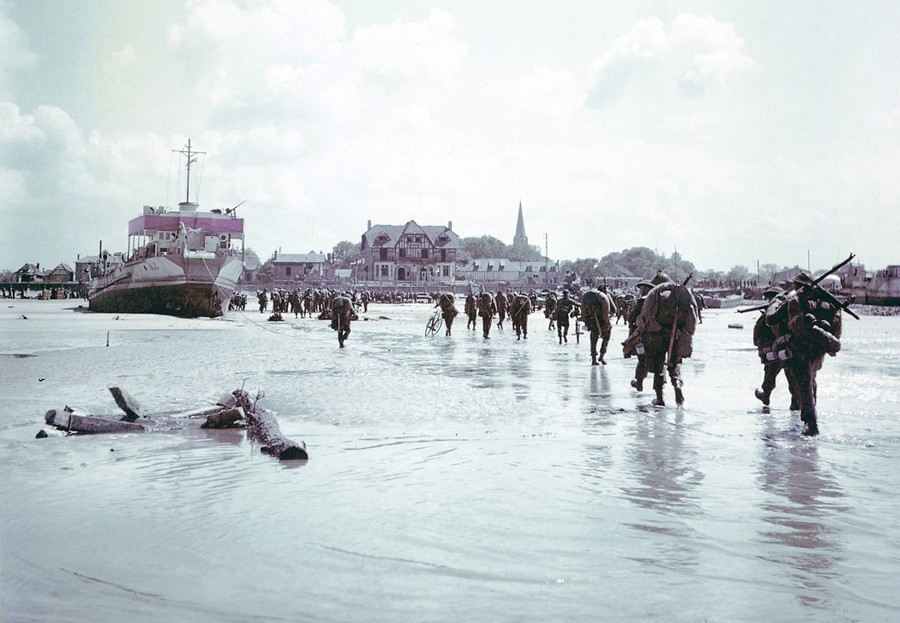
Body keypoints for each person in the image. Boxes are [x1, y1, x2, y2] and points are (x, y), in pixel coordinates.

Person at [764, 274, 844, 436]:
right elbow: (837, 328)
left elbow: (771, 318)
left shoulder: (795, 300)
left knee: (803, 382)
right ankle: (809, 415)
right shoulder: (829, 303)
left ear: (797, 285)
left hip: (799, 346)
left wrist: (778, 302)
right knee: (811, 380)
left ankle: (811, 423)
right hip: (820, 347)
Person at [635, 272, 699, 406]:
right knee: (674, 364)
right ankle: (678, 388)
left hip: (656, 336)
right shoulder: (682, 294)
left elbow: (645, 317)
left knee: (658, 365)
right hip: (676, 335)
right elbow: (693, 318)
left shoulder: (654, 294)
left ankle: (659, 398)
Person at [753, 285, 798, 409]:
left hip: (776, 351)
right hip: (788, 349)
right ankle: (796, 403)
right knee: (792, 376)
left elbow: (758, 334)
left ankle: (766, 395)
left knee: (770, 375)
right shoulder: (789, 310)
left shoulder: (770, 314)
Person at [624, 279, 654, 389]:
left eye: (641, 288)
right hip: (657, 336)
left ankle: (639, 383)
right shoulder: (657, 301)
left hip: (642, 338)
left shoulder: (642, 301)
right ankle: (660, 386)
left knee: (642, 359)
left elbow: (631, 317)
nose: (640, 290)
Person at [581, 288, 612, 364]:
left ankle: (594, 359)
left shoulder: (585, 295)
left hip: (591, 320)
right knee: (606, 336)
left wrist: (586, 321)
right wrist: (607, 323)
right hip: (601, 320)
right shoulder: (603, 296)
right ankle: (601, 356)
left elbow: (583, 311)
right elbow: (606, 312)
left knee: (593, 339)